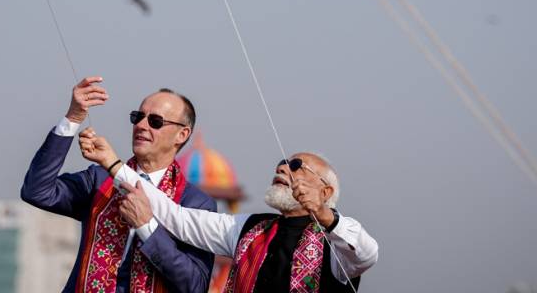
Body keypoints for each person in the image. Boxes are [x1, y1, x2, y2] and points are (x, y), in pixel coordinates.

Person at [79, 129, 379, 292]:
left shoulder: (339, 242)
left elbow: (366, 253)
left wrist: (325, 215)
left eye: (297, 166)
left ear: (325, 191)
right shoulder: (250, 228)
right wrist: (114, 165)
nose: (282, 167)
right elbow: (177, 217)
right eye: (282, 162)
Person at [21, 76, 217, 293]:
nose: (141, 125)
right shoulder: (100, 180)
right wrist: (74, 118)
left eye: (155, 121)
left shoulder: (196, 203)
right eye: (138, 117)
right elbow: (36, 191)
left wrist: (146, 227)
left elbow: (195, 285)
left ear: (182, 134)